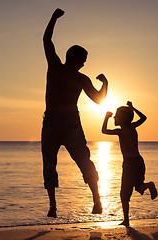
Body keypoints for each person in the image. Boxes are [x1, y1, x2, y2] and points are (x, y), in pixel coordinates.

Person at [42, 8, 108, 218]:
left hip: (53, 120)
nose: (84, 63)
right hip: (69, 121)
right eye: (83, 59)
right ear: (75, 58)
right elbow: (100, 99)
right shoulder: (79, 77)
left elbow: (46, 40)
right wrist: (106, 84)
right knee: (83, 160)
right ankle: (96, 201)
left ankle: (53, 206)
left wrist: (54, 18)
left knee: (50, 162)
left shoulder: (56, 68)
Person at [102, 101, 158, 227]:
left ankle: (126, 220)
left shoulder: (120, 132)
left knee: (124, 194)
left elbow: (104, 131)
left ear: (122, 118)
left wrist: (106, 117)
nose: (114, 118)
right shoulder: (133, 127)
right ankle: (149, 185)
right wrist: (132, 108)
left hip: (130, 163)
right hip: (139, 161)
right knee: (138, 187)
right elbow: (144, 118)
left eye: (116, 116)